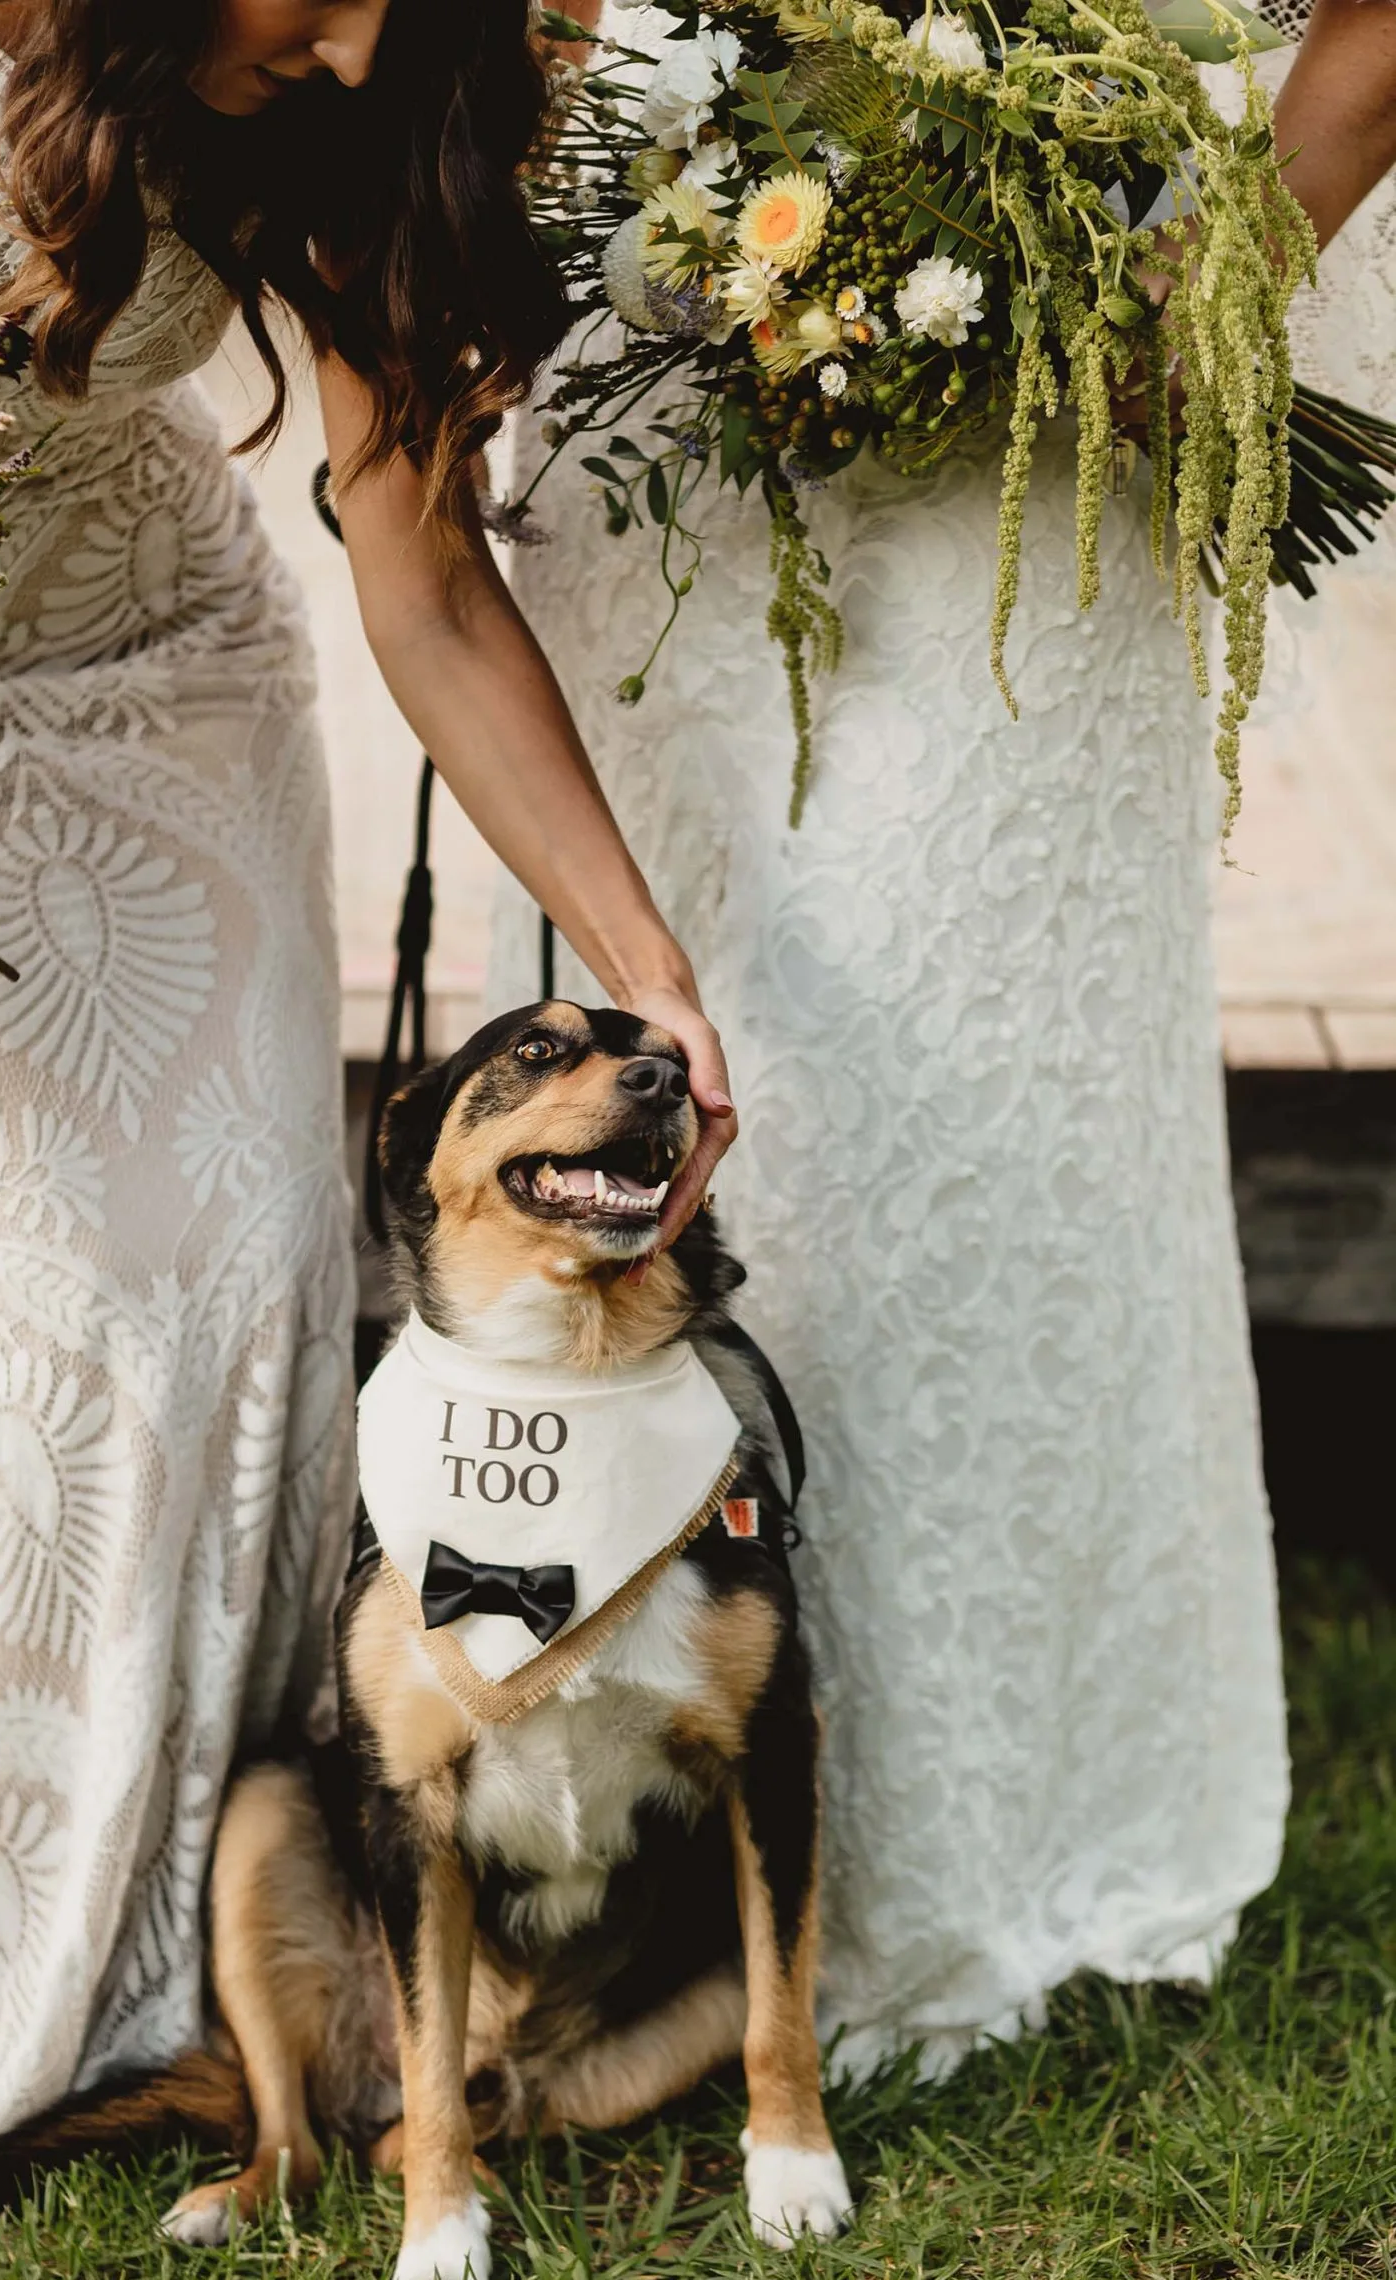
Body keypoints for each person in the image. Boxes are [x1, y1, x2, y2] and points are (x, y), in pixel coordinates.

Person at [0, 0, 735, 2166]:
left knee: (226, 1285)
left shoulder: (328, 108)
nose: (360, 51)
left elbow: (425, 580)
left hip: (177, 702)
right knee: (7, 1333)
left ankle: (177, 1955)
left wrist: (646, 968)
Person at [488, 0, 1396, 2079]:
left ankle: (960, 1822)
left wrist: (1227, 263)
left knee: (969, 1115)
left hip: (1046, 418)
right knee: (706, 1068)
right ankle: (640, 1826)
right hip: (664, 403)